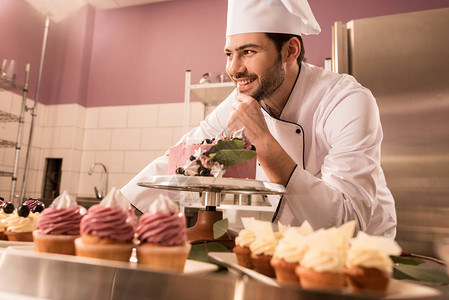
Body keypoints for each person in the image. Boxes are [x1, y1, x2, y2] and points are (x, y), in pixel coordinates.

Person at [121, 0, 397, 238]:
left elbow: (347, 221)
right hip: (295, 242)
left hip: (365, 251)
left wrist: (264, 143)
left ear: (291, 51)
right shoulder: (239, 100)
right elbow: (184, 157)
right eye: (230, 54)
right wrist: (121, 209)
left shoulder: (345, 100)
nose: (234, 68)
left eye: (248, 52)